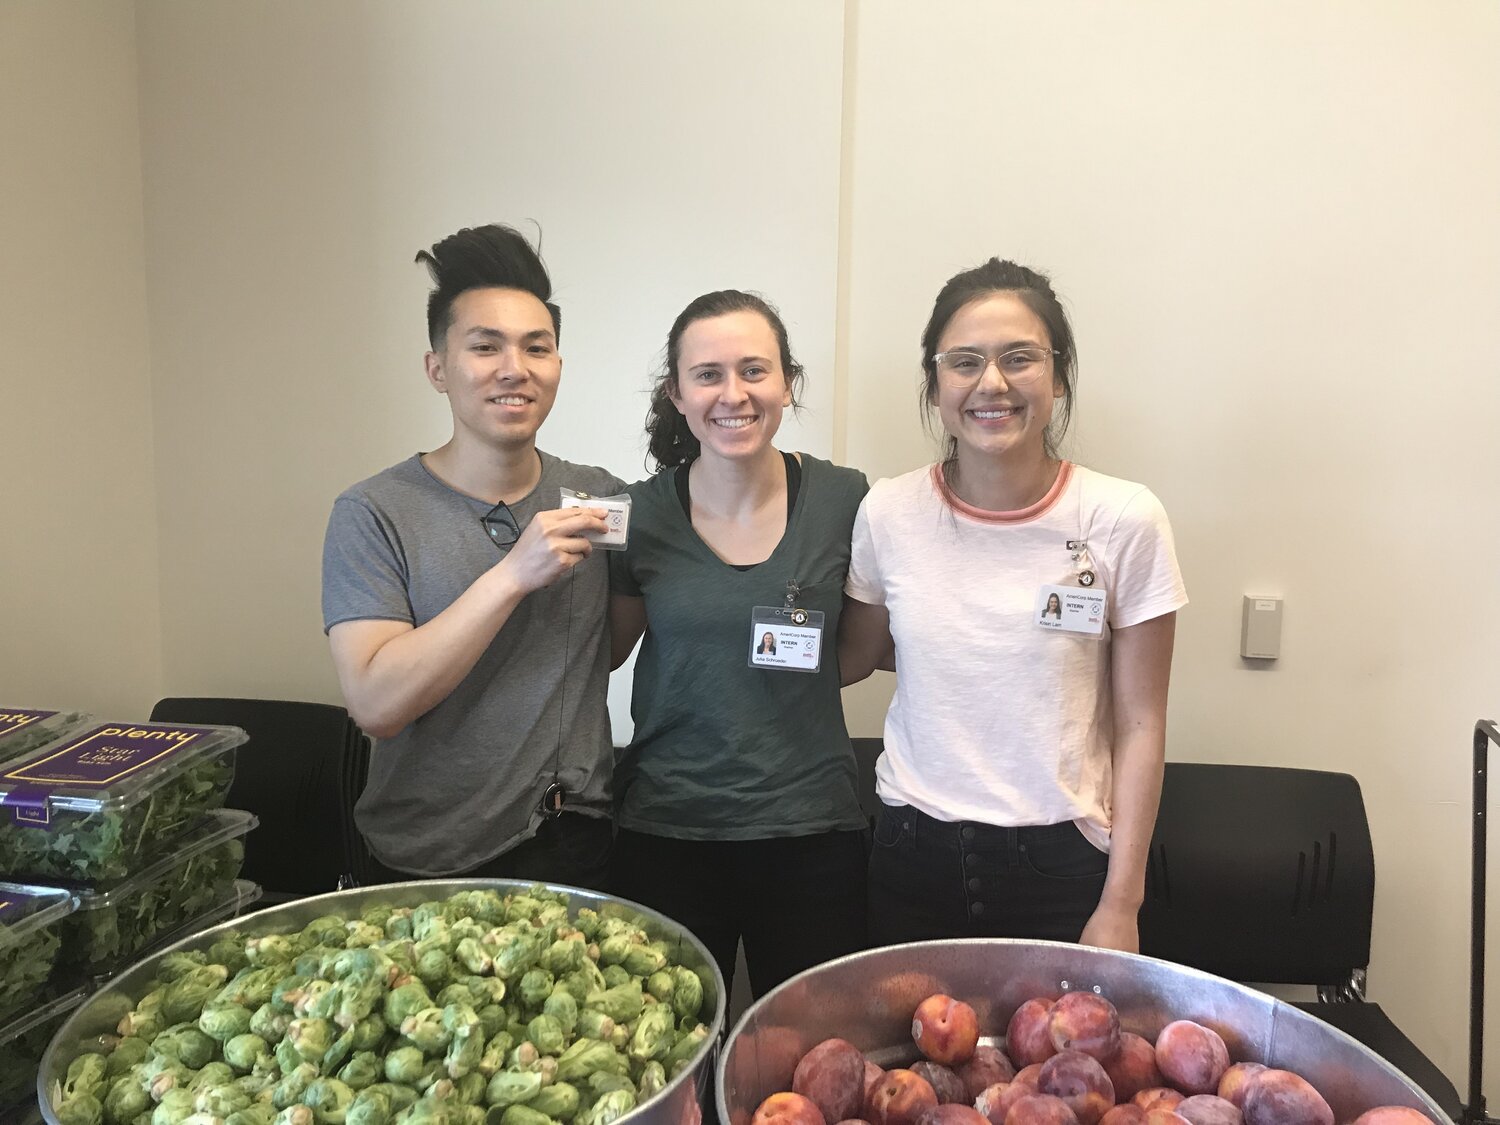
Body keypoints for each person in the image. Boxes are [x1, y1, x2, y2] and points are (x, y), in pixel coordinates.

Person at [839, 258, 1186, 952]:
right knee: (907, 1062)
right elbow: (860, 654)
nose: (991, 383)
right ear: (936, 383)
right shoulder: (889, 512)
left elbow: (1142, 722)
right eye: (964, 361)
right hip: (912, 854)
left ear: (1057, 377)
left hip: (1061, 866)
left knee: (1059, 1064)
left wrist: (1123, 900)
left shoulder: (1123, 517)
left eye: (1019, 358)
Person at [321, 223, 621, 888]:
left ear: (558, 368)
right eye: (485, 346)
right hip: (423, 861)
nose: (514, 367)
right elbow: (375, 702)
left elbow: (618, 634)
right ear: (437, 368)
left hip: (576, 843)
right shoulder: (373, 512)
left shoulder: (597, 497)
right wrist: (513, 573)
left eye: (536, 348)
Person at [608, 290, 869, 1000]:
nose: (734, 394)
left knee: (810, 1061)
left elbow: (858, 651)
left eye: (755, 370)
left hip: (813, 833)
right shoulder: (639, 514)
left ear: (787, 381)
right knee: (674, 1055)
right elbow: (602, 653)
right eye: (708, 374)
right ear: (677, 392)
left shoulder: (846, 499)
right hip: (668, 832)